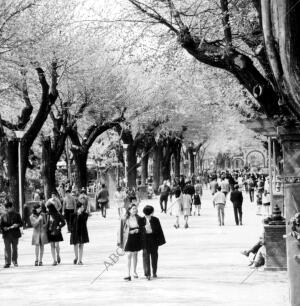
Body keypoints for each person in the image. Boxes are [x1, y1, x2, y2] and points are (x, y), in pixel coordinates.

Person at [118, 204, 142, 281]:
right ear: (129, 210)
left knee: (135, 254)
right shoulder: (124, 218)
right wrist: (120, 242)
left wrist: (138, 230)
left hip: (136, 237)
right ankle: (127, 274)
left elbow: (142, 227)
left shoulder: (138, 218)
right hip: (128, 238)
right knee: (128, 255)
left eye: (135, 209)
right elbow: (121, 230)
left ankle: (134, 271)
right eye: (133, 209)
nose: (135, 210)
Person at [140, 205, 166, 280]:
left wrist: (152, 230)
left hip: (154, 239)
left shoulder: (155, 219)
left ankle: (154, 272)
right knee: (146, 257)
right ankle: (147, 273)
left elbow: (159, 230)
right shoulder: (141, 220)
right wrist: (145, 230)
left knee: (154, 256)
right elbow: (140, 231)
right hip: (145, 240)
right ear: (151, 212)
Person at [0, 201, 23, 268]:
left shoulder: (17, 214)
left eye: (8, 208)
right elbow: (1, 225)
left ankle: (15, 261)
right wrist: (3, 228)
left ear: (11, 207)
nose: (7, 209)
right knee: (7, 249)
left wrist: (17, 225)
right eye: (6, 208)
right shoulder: (3, 215)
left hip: (15, 234)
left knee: (15, 248)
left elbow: (21, 223)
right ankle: (7, 263)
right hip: (6, 235)